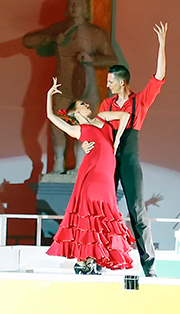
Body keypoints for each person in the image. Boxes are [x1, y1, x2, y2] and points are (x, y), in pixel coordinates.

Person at [82, 22, 168, 277]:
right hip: (106, 160)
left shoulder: (139, 101)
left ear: (121, 82)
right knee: (103, 210)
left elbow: (159, 77)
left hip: (129, 159)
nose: (107, 85)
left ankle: (149, 265)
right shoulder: (107, 104)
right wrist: (85, 143)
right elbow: (96, 130)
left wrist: (162, 45)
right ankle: (96, 261)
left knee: (137, 211)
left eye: (110, 81)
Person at [45, 78, 134, 274]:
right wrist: (49, 95)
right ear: (76, 112)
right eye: (82, 105)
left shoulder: (102, 117)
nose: (87, 105)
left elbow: (125, 115)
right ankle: (85, 258)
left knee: (106, 212)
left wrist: (117, 138)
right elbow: (51, 117)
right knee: (90, 213)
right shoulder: (78, 129)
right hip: (91, 172)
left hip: (106, 170)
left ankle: (96, 255)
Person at [22, 0, 118, 174]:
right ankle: (59, 160)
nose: (74, 7)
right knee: (57, 123)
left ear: (86, 8)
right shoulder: (60, 28)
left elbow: (112, 60)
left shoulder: (95, 33)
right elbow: (28, 41)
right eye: (71, 3)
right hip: (61, 87)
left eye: (79, 3)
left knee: (83, 125)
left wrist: (90, 60)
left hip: (85, 88)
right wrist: (50, 38)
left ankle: (81, 163)